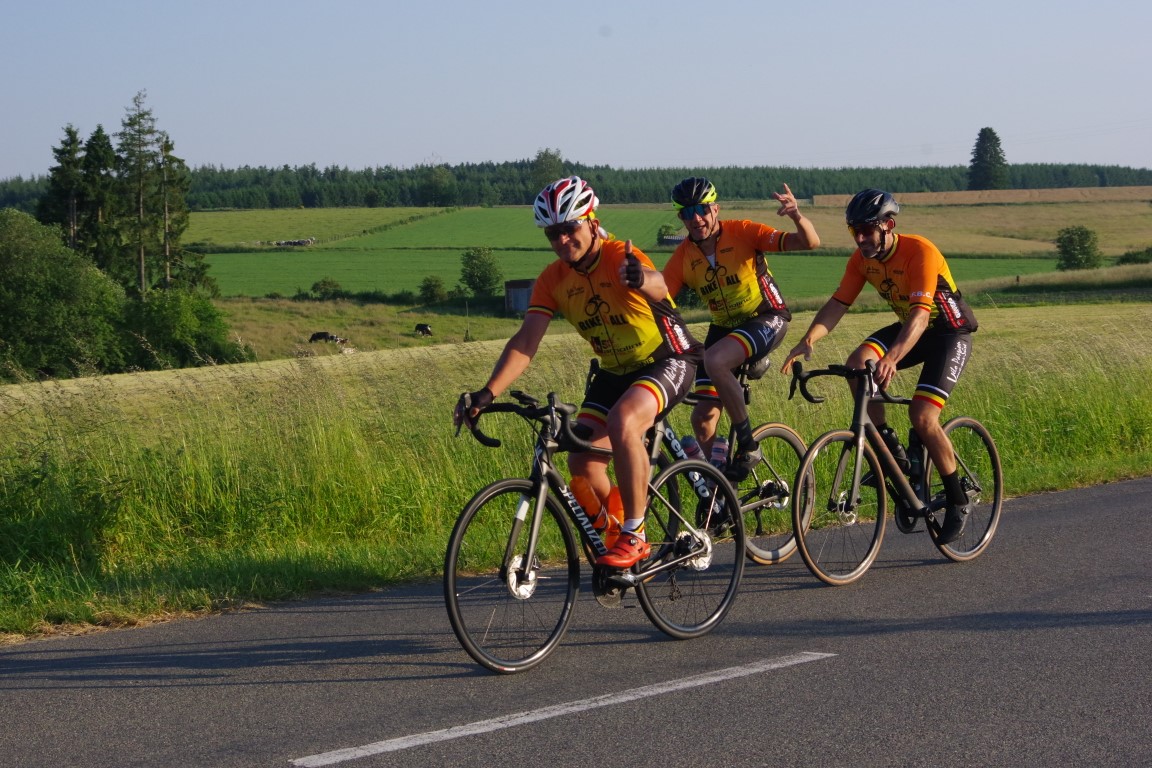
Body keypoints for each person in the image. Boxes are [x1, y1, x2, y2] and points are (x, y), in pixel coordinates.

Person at [454, 176, 702, 568]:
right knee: (581, 464)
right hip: (614, 372)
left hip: (667, 358)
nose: (562, 240)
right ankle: (617, 535)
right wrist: (487, 393)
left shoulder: (619, 256)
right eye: (553, 233)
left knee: (623, 421)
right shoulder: (553, 280)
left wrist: (641, 279)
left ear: (591, 222)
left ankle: (635, 534)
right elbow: (526, 341)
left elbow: (658, 286)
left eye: (570, 228)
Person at [780, 188, 979, 544]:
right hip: (911, 329)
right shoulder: (861, 260)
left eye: (866, 230)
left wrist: (892, 358)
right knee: (857, 365)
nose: (859, 239)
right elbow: (839, 303)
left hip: (948, 333)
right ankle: (893, 453)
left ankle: (957, 499)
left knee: (923, 416)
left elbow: (921, 316)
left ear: (888, 226)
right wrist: (809, 338)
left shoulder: (920, 252)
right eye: (853, 230)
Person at [661, 177, 820, 480]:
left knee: (715, 360)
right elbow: (659, 302)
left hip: (766, 316)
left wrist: (797, 216)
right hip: (723, 328)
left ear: (715, 209)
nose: (696, 218)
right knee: (702, 418)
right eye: (687, 212)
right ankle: (722, 489)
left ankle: (749, 445)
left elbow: (809, 242)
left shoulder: (744, 232)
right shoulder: (683, 257)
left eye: (702, 209)